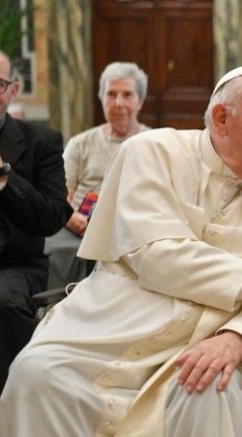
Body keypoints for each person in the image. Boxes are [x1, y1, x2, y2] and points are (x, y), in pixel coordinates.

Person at [0, 65, 242, 437]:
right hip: (112, 325)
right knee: (35, 375)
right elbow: (155, 255)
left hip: (206, 341)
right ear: (222, 118)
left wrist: (238, 340)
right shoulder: (150, 152)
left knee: (206, 391)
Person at [0, 47, 72, 397]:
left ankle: (18, 403)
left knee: (0, 300)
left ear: (13, 90)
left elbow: (52, 217)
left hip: (14, 265)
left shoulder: (42, 142)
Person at [44, 61, 150, 289]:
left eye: (127, 95)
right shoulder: (80, 144)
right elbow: (61, 196)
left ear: (140, 101)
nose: (118, 103)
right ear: (101, 99)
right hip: (78, 230)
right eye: (111, 94)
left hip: (132, 230)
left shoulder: (154, 143)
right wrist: (73, 220)